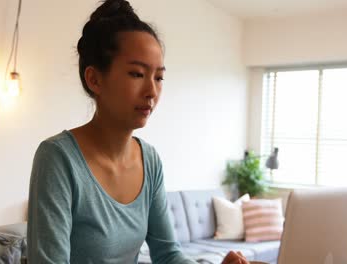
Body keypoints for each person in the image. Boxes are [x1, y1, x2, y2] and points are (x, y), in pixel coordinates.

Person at [27, 0, 249, 263]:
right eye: (136, 74)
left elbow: (168, 255)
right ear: (94, 79)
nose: (152, 92)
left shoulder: (149, 160)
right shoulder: (58, 158)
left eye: (158, 77)